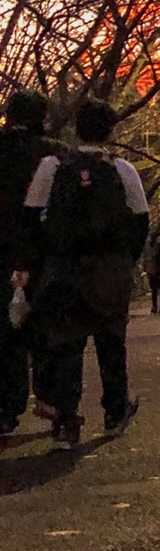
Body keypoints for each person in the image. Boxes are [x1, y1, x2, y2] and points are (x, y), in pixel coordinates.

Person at [18, 99, 149, 450]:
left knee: (66, 346)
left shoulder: (52, 165)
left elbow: (31, 216)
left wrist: (36, 264)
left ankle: (65, 421)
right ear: (110, 131)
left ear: (76, 128)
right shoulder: (122, 169)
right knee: (111, 343)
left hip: (63, 270)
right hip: (108, 268)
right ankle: (115, 412)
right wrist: (125, 260)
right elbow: (140, 220)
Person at [0, 89, 51, 439]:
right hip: (44, 254)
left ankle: (6, 408)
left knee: (5, 335)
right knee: (47, 329)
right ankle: (49, 398)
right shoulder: (54, 155)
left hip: (0, 254)